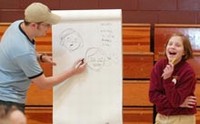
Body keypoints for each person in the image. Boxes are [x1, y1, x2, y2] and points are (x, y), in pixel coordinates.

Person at [0, 2, 86, 113]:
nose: (49, 28)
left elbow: (15, 54)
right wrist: (73, 71)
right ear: (34, 25)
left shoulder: (17, 25)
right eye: (47, 24)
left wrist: (40, 57)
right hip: (7, 102)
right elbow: (43, 84)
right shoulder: (23, 51)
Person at [149, 33, 197, 124]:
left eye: (178, 45)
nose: (172, 47)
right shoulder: (159, 66)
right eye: (170, 44)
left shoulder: (188, 72)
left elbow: (176, 100)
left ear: (184, 52)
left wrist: (167, 79)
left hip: (182, 118)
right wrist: (180, 104)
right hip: (161, 117)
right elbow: (153, 96)